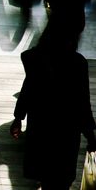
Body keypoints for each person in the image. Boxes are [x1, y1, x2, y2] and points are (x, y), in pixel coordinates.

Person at [10, 24, 96, 189]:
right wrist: (90, 136)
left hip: (41, 126)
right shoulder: (77, 63)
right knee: (61, 179)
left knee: (46, 175)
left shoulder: (36, 60)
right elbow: (82, 103)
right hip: (66, 131)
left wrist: (18, 118)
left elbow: (27, 89)